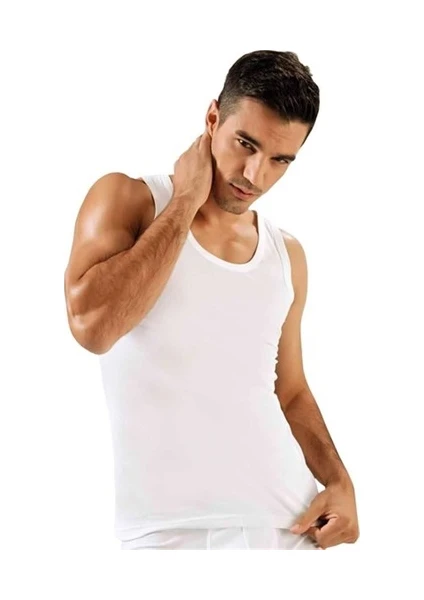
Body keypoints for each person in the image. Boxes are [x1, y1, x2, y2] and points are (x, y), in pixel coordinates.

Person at [64, 50, 359, 550]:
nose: (255, 175)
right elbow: (93, 328)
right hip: (166, 533)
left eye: (280, 160)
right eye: (246, 144)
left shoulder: (286, 255)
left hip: (288, 528)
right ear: (212, 118)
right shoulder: (130, 200)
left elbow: (289, 391)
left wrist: (340, 482)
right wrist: (185, 202)